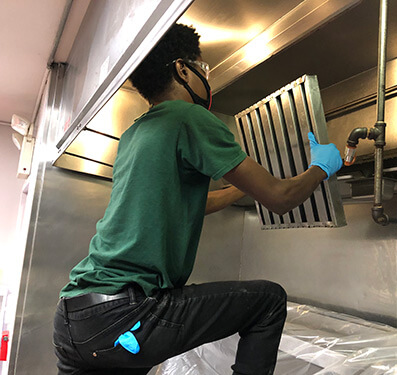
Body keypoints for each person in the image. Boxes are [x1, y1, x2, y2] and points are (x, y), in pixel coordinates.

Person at [53, 23, 343, 375]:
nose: (207, 78)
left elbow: (187, 204)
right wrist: (320, 169)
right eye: (203, 68)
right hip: (126, 312)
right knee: (268, 301)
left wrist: (243, 187)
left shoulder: (135, 133)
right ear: (181, 68)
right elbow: (281, 199)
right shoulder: (190, 117)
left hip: (75, 317)